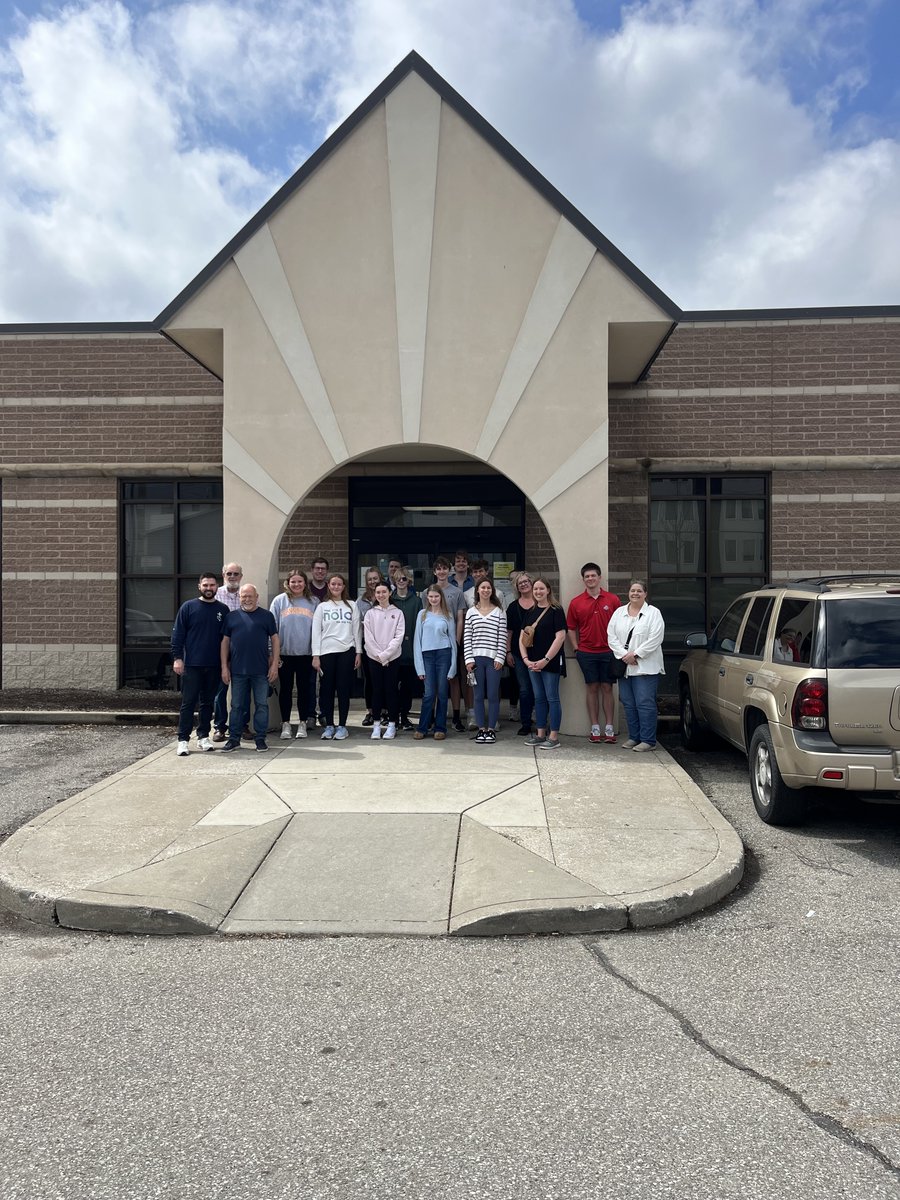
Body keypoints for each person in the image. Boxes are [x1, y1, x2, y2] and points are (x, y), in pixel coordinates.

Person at [171, 573, 230, 756]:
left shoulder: (223, 609)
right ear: (199, 587)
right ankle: (183, 740)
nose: (208, 588)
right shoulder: (188, 607)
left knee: (207, 704)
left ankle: (203, 736)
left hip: (213, 665)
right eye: (205, 585)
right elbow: (178, 635)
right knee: (188, 703)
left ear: (217, 587)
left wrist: (224, 665)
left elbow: (226, 640)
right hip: (192, 665)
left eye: (212, 585)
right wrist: (178, 658)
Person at [220, 584, 279, 753]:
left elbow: (275, 640)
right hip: (237, 671)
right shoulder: (231, 617)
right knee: (237, 706)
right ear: (239, 597)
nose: (247, 599)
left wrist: (274, 664)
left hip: (261, 671)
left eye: (250, 596)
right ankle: (234, 739)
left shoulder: (266, 616)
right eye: (243, 596)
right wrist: (224, 667)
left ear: (256, 596)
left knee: (261, 705)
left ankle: (260, 739)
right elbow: (225, 642)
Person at [607, 579, 666, 751]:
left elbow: (655, 638)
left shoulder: (654, 613)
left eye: (639, 591)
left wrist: (636, 654)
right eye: (633, 590)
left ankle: (648, 741)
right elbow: (611, 636)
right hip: (626, 666)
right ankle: (634, 737)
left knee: (645, 703)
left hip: (646, 667)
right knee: (628, 703)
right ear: (628, 593)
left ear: (645, 594)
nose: (635, 594)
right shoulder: (619, 612)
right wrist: (625, 655)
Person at [566, 562, 621, 744]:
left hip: (609, 652)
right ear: (583, 579)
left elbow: (621, 626)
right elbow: (571, 628)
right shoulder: (576, 602)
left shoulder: (612, 600)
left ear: (599, 577)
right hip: (586, 652)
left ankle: (610, 727)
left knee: (607, 688)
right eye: (587, 576)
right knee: (592, 688)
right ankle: (595, 728)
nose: (590, 579)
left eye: (593, 576)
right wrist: (576, 648)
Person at [311, 574, 362, 740]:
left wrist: (358, 652)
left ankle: (342, 726)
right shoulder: (322, 607)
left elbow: (357, 631)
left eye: (339, 584)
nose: (336, 587)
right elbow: (316, 633)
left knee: (343, 689)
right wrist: (315, 655)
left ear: (343, 586)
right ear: (329, 585)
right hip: (326, 652)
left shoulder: (352, 606)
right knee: (326, 690)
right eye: (333, 584)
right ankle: (329, 726)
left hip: (346, 651)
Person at [270, 569, 318, 739]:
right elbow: (272, 629)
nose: (296, 585)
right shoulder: (279, 601)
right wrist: (272, 655)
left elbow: (318, 629)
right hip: (284, 654)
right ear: (288, 583)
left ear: (305, 583)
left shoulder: (313, 602)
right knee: (286, 690)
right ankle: (286, 724)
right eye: (293, 582)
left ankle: (303, 723)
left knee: (305, 690)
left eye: (300, 581)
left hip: (306, 654)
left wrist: (316, 654)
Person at [521, 577, 568, 750]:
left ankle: (554, 737)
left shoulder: (556, 610)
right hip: (533, 663)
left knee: (552, 698)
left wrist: (545, 660)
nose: (538, 592)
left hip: (551, 662)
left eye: (541, 589)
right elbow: (522, 637)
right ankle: (541, 734)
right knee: (539, 698)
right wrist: (526, 660)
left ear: (548, 590)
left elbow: (561, 636)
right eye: (535, 589)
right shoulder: (530, 611)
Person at [423, 557, 466, 731]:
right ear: (434, 572)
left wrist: (456, 640)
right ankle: (432, 717)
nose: (441, 572)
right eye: (438, 569)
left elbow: (460, 618)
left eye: (444, 568)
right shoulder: (427, 592)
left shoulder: (457, 592)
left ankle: (456, 716)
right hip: (431, 645)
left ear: (450, 571)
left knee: (453, 679)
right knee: (432, 683)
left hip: (450, 643)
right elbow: (424, 617)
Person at [463, 578, 507, 744]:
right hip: (476, 660)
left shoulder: (499, 612)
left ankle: (491, 729)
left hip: (493, 660)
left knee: (493, 695)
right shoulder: (471, 612)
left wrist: (500, 657)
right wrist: (468, 659)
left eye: (489, 587)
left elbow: (502, 637)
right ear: (478, 590)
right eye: (483, 587)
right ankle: (482, 729)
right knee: (478, 695)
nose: (486, 590)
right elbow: (467, 637)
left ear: (492, 591)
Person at [413, 586, 457, 740]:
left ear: (441, 597)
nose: (433, 599)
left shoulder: (448, 615)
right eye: (430, 597)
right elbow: (417, 642)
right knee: (429, 694)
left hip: (443, 654)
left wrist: (453, 666)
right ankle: (422, 727)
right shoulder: (422, 615)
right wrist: (419, 667)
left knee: (443, 693)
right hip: (427, 656)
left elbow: (452, 642)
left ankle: (440, 728)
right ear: (427, 598)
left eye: (436, 596)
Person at [363, 583, 405, 739]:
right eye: (378, 592)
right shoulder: (370, 614)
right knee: (377, 691)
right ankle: (376, 725)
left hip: (392, 658)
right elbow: (368, 638)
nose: (381, 595)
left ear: (389, 593)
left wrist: (386, 655)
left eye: (384, 592)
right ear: (375, 594)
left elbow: (398, 637)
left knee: (391, 690)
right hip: (374, 658)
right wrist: (379, 656)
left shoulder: (398, 613)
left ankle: (392, 724)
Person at [211, 561, 244, 740]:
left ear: (241, 576)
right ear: (223, 575)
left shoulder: (246, 594)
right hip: (221, 649)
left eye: (236, 574)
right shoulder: (216, 595)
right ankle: (219, 727)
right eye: (229, 574)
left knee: (242, 691)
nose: (232, 577)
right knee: (220, 691)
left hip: (241, 650)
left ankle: (241, 725)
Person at [505, 571, 537, 735]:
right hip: (518, 653)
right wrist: (508, 651)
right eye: (520, 583)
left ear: (532, 583)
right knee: (524, 689)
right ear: (517, 587)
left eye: (526, 581)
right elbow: (509, 632)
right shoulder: (512, 607)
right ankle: (525, 723)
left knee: (538, 688)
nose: (524, 584)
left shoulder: (541, 604)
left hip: (539, 653)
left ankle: (539, 721)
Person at [390, 565, 420, 731]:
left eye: (404, 579)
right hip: (392, 652)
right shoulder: (390, 600)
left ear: (408, 581)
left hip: (409, 651)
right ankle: (393, 716)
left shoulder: (417, 602)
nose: (401, 582)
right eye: (398, 579)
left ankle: (405, 716)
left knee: (407, 687)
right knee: (392, 686)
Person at [356, 566, 384, 726]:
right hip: (368, 645)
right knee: (370, 679)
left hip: (385, 645)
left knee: (384, 679)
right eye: (370, 579)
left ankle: (385, 710)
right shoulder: (361, 601)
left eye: (375, 578)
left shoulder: (386, 596)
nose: (373, 581)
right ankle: (371, 712)